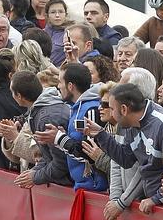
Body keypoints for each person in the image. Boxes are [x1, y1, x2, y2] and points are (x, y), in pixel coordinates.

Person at [87, 83, 163, 214]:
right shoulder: (130, 125)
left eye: (112, 109)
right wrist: (101, 135)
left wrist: (156, 199)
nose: (112, 115)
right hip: (151, 202)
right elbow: (126, 160)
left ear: (124, 109)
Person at [34, 63, 108, 191]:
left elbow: (91, 154)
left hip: (95, 188)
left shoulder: (91, 109)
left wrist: (59, 138)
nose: (58, 86)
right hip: (83, 187)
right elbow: (76, 144)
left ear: (70, 86)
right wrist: (60, 139)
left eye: (60, 82)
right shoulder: (76, 107)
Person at [10, 71, 72, 188]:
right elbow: (49, 155)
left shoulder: (46, 118)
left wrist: (36, 177)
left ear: (18, 95)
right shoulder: (39, 111)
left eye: (11, 92)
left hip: (71, 186)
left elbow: (61, 163)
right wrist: (36, 171)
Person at [44, 0, 73, 66]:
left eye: (60, 12)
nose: (57, 15)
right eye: (53, 12)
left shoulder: (71, 33)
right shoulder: (42, 33)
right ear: (47, 15)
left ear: (66, 14)